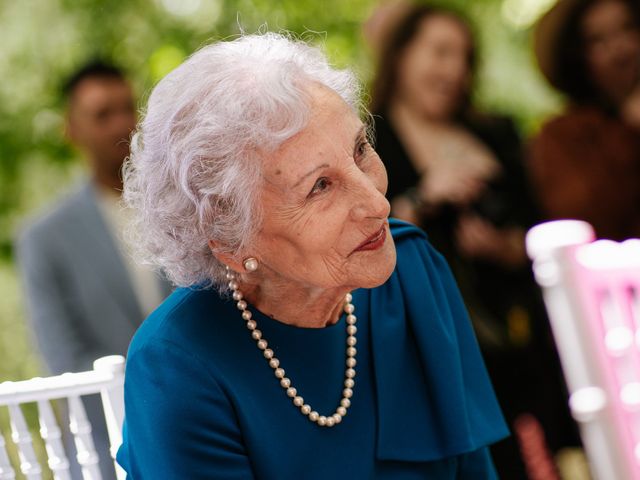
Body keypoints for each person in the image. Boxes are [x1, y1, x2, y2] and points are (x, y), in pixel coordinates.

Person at [115, 32, 508, 479]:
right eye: (320, 186)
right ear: (231, 240)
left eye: (360, 150)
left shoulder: (412, 274)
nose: (378, 205)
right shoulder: (178, 365)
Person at [367, 3, 579, 478]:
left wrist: (503, 246)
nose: (453, 70)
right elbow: (357, 239)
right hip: (428, 351)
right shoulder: (369, 144)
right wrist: (423, 196)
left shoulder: (494, 132)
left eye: (464, 57)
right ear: (401, 57)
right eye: (440, 53)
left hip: (519, 345)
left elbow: (542, 232)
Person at [15, 62, 173, 479]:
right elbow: (63, 354)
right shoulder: (43, 239)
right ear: (72, 130)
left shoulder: (184, 207)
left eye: (127, 108)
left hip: (208, 426)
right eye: (103, 114)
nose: (121, 124)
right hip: (108, 445)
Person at [530, 0, 640, 241]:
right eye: (598, 40)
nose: (621, 49)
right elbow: (587, 220)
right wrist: (630, 131)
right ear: (578, 57)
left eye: (628, 28)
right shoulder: (562, 136)